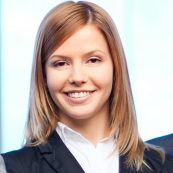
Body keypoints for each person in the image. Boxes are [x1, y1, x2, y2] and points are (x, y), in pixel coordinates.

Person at [0, 1, 173, 173]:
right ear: (43, 75)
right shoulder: (10, 167)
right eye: (61, 63)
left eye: (93, 60)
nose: (77, 77)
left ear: (115, 67)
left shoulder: (163, 165)